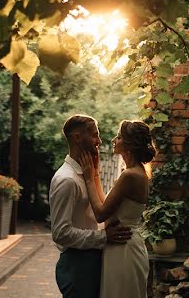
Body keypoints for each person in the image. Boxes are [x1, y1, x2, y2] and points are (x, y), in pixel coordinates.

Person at [50, 115, 133, 298]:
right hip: (77, 265)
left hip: (91, 261)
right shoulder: (66, 180)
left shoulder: (85, 174)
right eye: (95, 135)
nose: (100, 141)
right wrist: (103, 236)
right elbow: (60, 233)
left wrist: (94, 175)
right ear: (77, 138)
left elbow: (97, 212)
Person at [78, 120, 156, 298]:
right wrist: (96, 172)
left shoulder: (130, 175)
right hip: (124, 245)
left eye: (119, 137)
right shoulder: (136, 172)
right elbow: (106, 205)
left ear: (128, 144)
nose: (114, 139)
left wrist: (89, 178)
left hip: (124, 248)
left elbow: (100, 214)